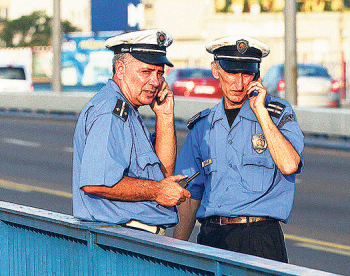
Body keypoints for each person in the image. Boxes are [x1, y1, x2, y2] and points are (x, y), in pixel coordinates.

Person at [173, 36, 303, 263]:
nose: (239, 84)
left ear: (257, 76)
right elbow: (191, 194)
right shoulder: (202, 125)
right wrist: (176, 251)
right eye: (232, 73)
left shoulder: (276, 114)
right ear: (216, 70)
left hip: (260, 237)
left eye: (246, 74)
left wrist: (261, 112)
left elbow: (289, 164)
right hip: (213, 236)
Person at [72, 28, 190, 235]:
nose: (155, 81)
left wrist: (164, 117)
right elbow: (96, 183)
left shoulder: (129, 110)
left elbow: (164, 175)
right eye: (146, 72)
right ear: (120, 69)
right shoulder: (111, 111)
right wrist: (157, 191)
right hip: (121, 239)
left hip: (134, 236)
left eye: (159, 73)